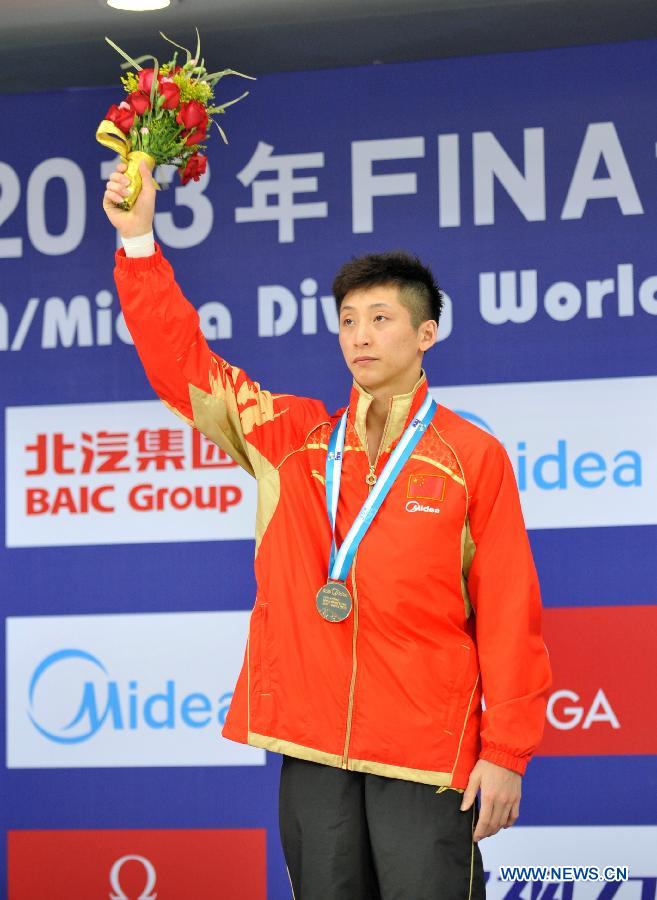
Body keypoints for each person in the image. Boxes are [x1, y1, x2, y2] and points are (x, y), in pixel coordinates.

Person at [104, 160, 552, 900]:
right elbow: (183, 366)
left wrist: (504, 751)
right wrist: (141, 241)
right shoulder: (292, 438)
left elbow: (509, 612)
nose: (359, 336)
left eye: (380, 319)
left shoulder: (471, 457)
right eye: (347, 320)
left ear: (426, 332)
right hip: (311, 744)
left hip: (425, 749)